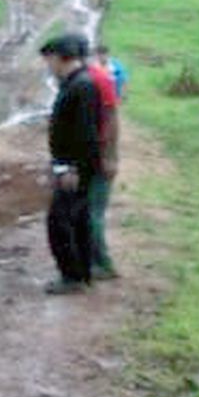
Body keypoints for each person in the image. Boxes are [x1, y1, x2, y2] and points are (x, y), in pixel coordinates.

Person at [39, 34, 104, 294]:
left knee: (60, 221)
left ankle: (72, 277)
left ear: (60, 57)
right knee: (78, 220)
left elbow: (86, 134)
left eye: (50, 60)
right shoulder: (76, 83)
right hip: (73, 165)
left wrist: (72, 168)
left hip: (76, 168)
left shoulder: (82, 86)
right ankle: (81, 274)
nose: (48, 66)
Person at [86, 44, 123, 278]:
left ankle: (103, 264)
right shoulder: (94, 78)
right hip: (96, 155)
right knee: (90, 211)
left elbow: (112, 118)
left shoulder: (99, 80)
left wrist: (109, 156)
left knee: (93, 212)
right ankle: (95, 260)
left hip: (101, 157)